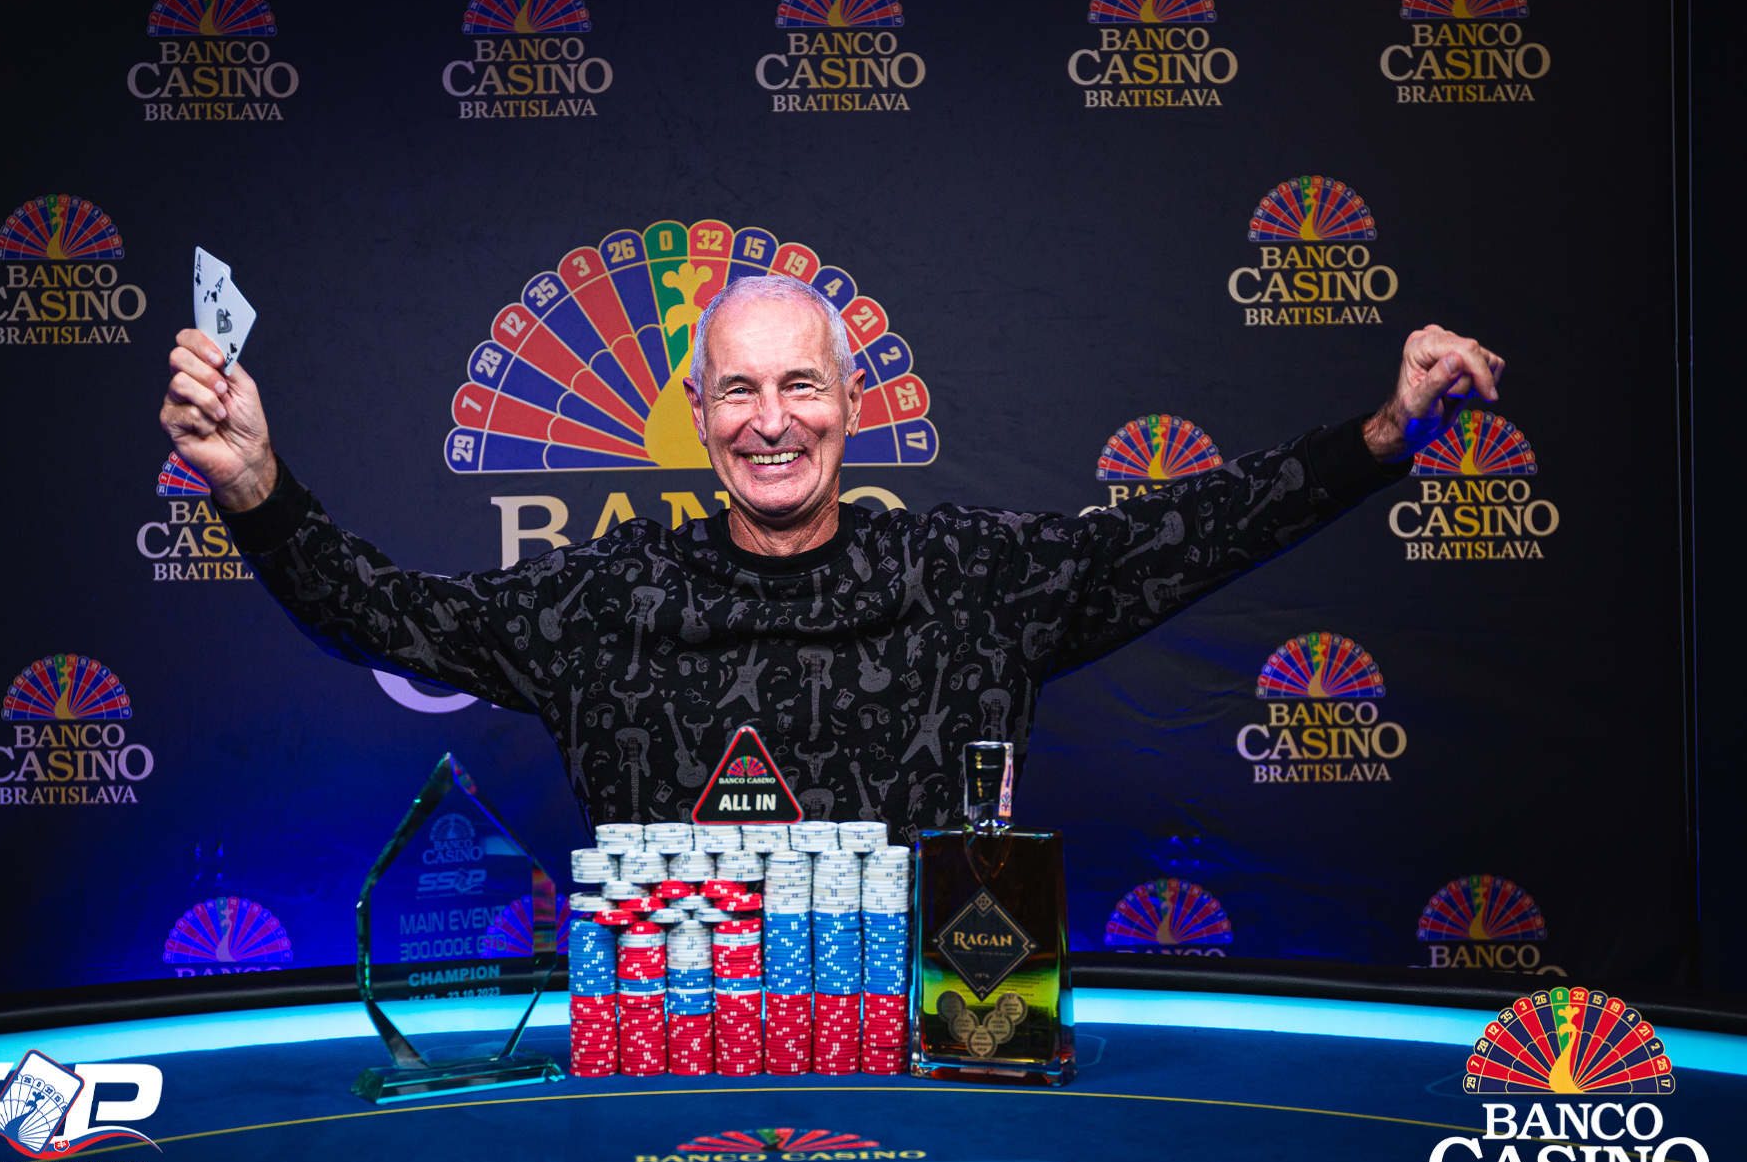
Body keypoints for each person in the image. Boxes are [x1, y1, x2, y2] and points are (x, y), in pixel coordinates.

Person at [160, 275, 1502, 840]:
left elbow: (1195, 528)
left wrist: (1386, 436)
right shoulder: (611, 596)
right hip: (668, 1073)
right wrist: (259, 492)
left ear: (851, 408)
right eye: (738, 392)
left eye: (801, 385)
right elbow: (390, 617)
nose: (771, 421)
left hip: (941, 1057)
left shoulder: (973, 580)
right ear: (698, 417)